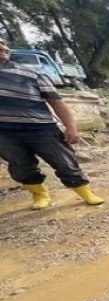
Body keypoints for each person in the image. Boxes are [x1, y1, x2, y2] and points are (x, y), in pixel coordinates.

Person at [0, 38, 103, 209]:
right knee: (21, 166)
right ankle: (40, 194)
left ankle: (86, 193)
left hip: (41, 129)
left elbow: (56, 102)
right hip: (4, 133)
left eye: (3, 43)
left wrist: (71, 128)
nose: (1, 47)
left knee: (65, 162)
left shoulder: (32, 73)